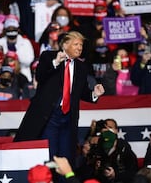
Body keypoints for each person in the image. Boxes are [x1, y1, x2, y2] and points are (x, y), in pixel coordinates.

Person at [14, 31, 105, 168]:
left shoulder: (81, 67)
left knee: (66, 158)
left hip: (68, 118)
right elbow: (40, 76)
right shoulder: (48, 57)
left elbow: (82, 92)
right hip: (50, 116)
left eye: (81, 45)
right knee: (51, 157)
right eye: (76, 44)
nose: (79, 47)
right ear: (65, 44)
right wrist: (56, 62)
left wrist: (94, 94)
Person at [0, 16, 35, 82]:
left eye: (13, 28)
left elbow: (29, 60)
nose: (11, 30)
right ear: (5, 29)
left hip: (23, 73)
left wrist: (15, 56)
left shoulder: (25, 42)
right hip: (4, 74)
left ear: (18, 29)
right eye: (9, 28)